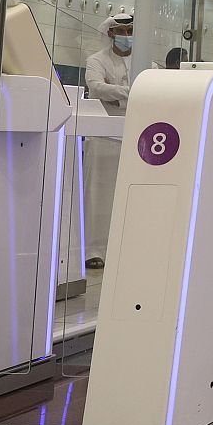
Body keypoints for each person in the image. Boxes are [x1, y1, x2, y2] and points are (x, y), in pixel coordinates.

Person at [82, 13, 134, 270]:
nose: (126, 36)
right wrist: (129, 93)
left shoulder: (148, 62)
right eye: (121, 31)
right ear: (111, 33)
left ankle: (126, 246)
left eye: (130, 30)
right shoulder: (96, 60)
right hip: (104, 136)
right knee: (98, 194)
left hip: (135, 137)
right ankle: (94, 250)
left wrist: (120, 96)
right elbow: (96, 86)